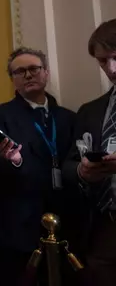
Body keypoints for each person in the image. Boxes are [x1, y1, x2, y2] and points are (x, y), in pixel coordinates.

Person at [0, 47, 76, 286]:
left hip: (67, 218)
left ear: (46, 73)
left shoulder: (69, 117)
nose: (28, 75)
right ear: (12, 79)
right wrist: (14, 160)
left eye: (34, 69)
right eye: (19, 71)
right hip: (19, 220)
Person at [63, 18, 116, 285]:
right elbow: (69, 164)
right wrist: (83, 171)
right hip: (104, 228)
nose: (111, 69)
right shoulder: (90, 111)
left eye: (115, 58)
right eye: (103, 61)